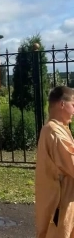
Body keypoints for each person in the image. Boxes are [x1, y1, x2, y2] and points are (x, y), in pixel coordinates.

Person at [35, 86, 74, 238]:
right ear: (62, 104)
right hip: (60, 206)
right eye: (73, 105)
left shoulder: (59, 129)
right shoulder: (54, 132)